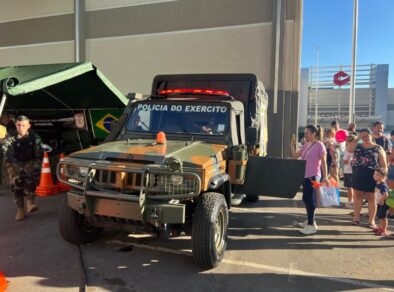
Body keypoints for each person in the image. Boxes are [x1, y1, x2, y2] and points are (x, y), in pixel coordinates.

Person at [3, 115, 43, 221]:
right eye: (19, 125)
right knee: (17, 185)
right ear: (16, 125)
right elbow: (8, 155)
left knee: (32, 179)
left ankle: (30, 202)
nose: (21, 128)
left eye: (23, 125)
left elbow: (39, 154)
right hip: (14, 165)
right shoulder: (10, 137)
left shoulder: (35, 137)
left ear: (29, 125)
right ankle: (20, 209)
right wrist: (19, 170)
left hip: (30, 163)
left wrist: (36, 168)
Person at [291, 125, 328, 235]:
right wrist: (292, 145)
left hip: (314, 176)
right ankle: (311, 220)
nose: (305, 135)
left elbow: (324, 162)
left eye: (307, 133)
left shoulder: (320, 145)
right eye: (305, 133)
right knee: (306, 199)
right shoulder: (306, 145)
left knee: (310, 200)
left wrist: (325, 177)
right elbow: (295, 156)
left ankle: (312, 225)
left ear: (314, 134)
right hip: (305, 176)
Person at [347, 128, 387, 227]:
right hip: (358, 174)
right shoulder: (358, 146)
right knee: (357, 196)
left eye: (367, 136)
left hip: (373, 176)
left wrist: (383, 178)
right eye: (363, 136)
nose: (365, 138)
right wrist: (358, 138)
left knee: (371, 198)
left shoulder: (378, 148)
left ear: (371, 135)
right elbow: (349, 149)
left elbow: (384, 165)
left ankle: (371, 221)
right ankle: (356, 218)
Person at [372, 168, 391, 237]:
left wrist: (381, 200)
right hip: (380, 203)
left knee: (383, 217)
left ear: (383, 176)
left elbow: (386, 194)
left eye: (378, 175)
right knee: (380, 216)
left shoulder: (382, 185)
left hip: (384, 204)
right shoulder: (378, 183)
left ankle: (384, 230)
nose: (375, 176)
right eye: (374, 174)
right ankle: (380, 228)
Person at [343, 134, 356, 209]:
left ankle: (350, 201)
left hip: (348, 170)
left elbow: (345, 161)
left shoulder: (348, 149)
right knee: (354, 187)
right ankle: (353, 201)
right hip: (355, 170)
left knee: (349, 187)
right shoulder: (356, 148)